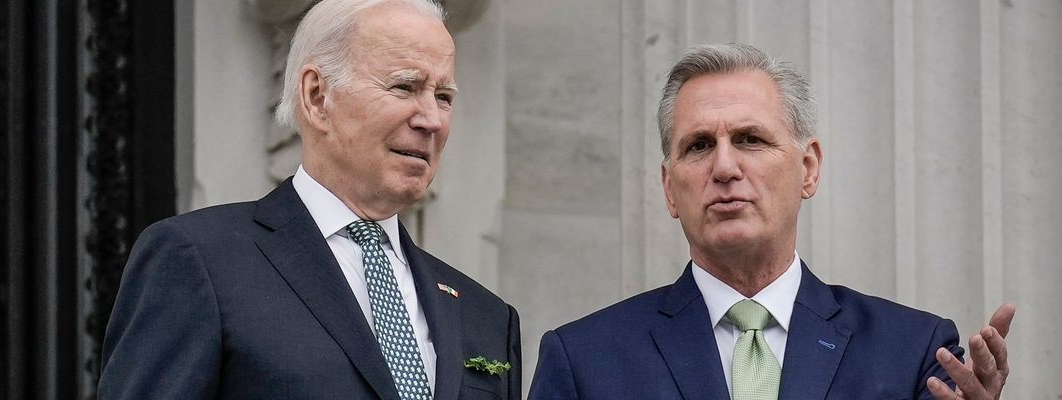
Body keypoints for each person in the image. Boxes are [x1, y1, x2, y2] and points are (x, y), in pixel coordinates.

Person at [528, 43, 1012, 400]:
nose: (724, 167)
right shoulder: (584, 361)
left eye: (751, 140)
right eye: (698, 146)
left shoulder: (912, 352)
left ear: (808, 168)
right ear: (669, 187)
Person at [98, 0, 521, 398]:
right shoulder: (199, 261)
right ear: (317, 96)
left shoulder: (486, 317)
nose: (431, 119)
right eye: (404, 87)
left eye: (443, 97)